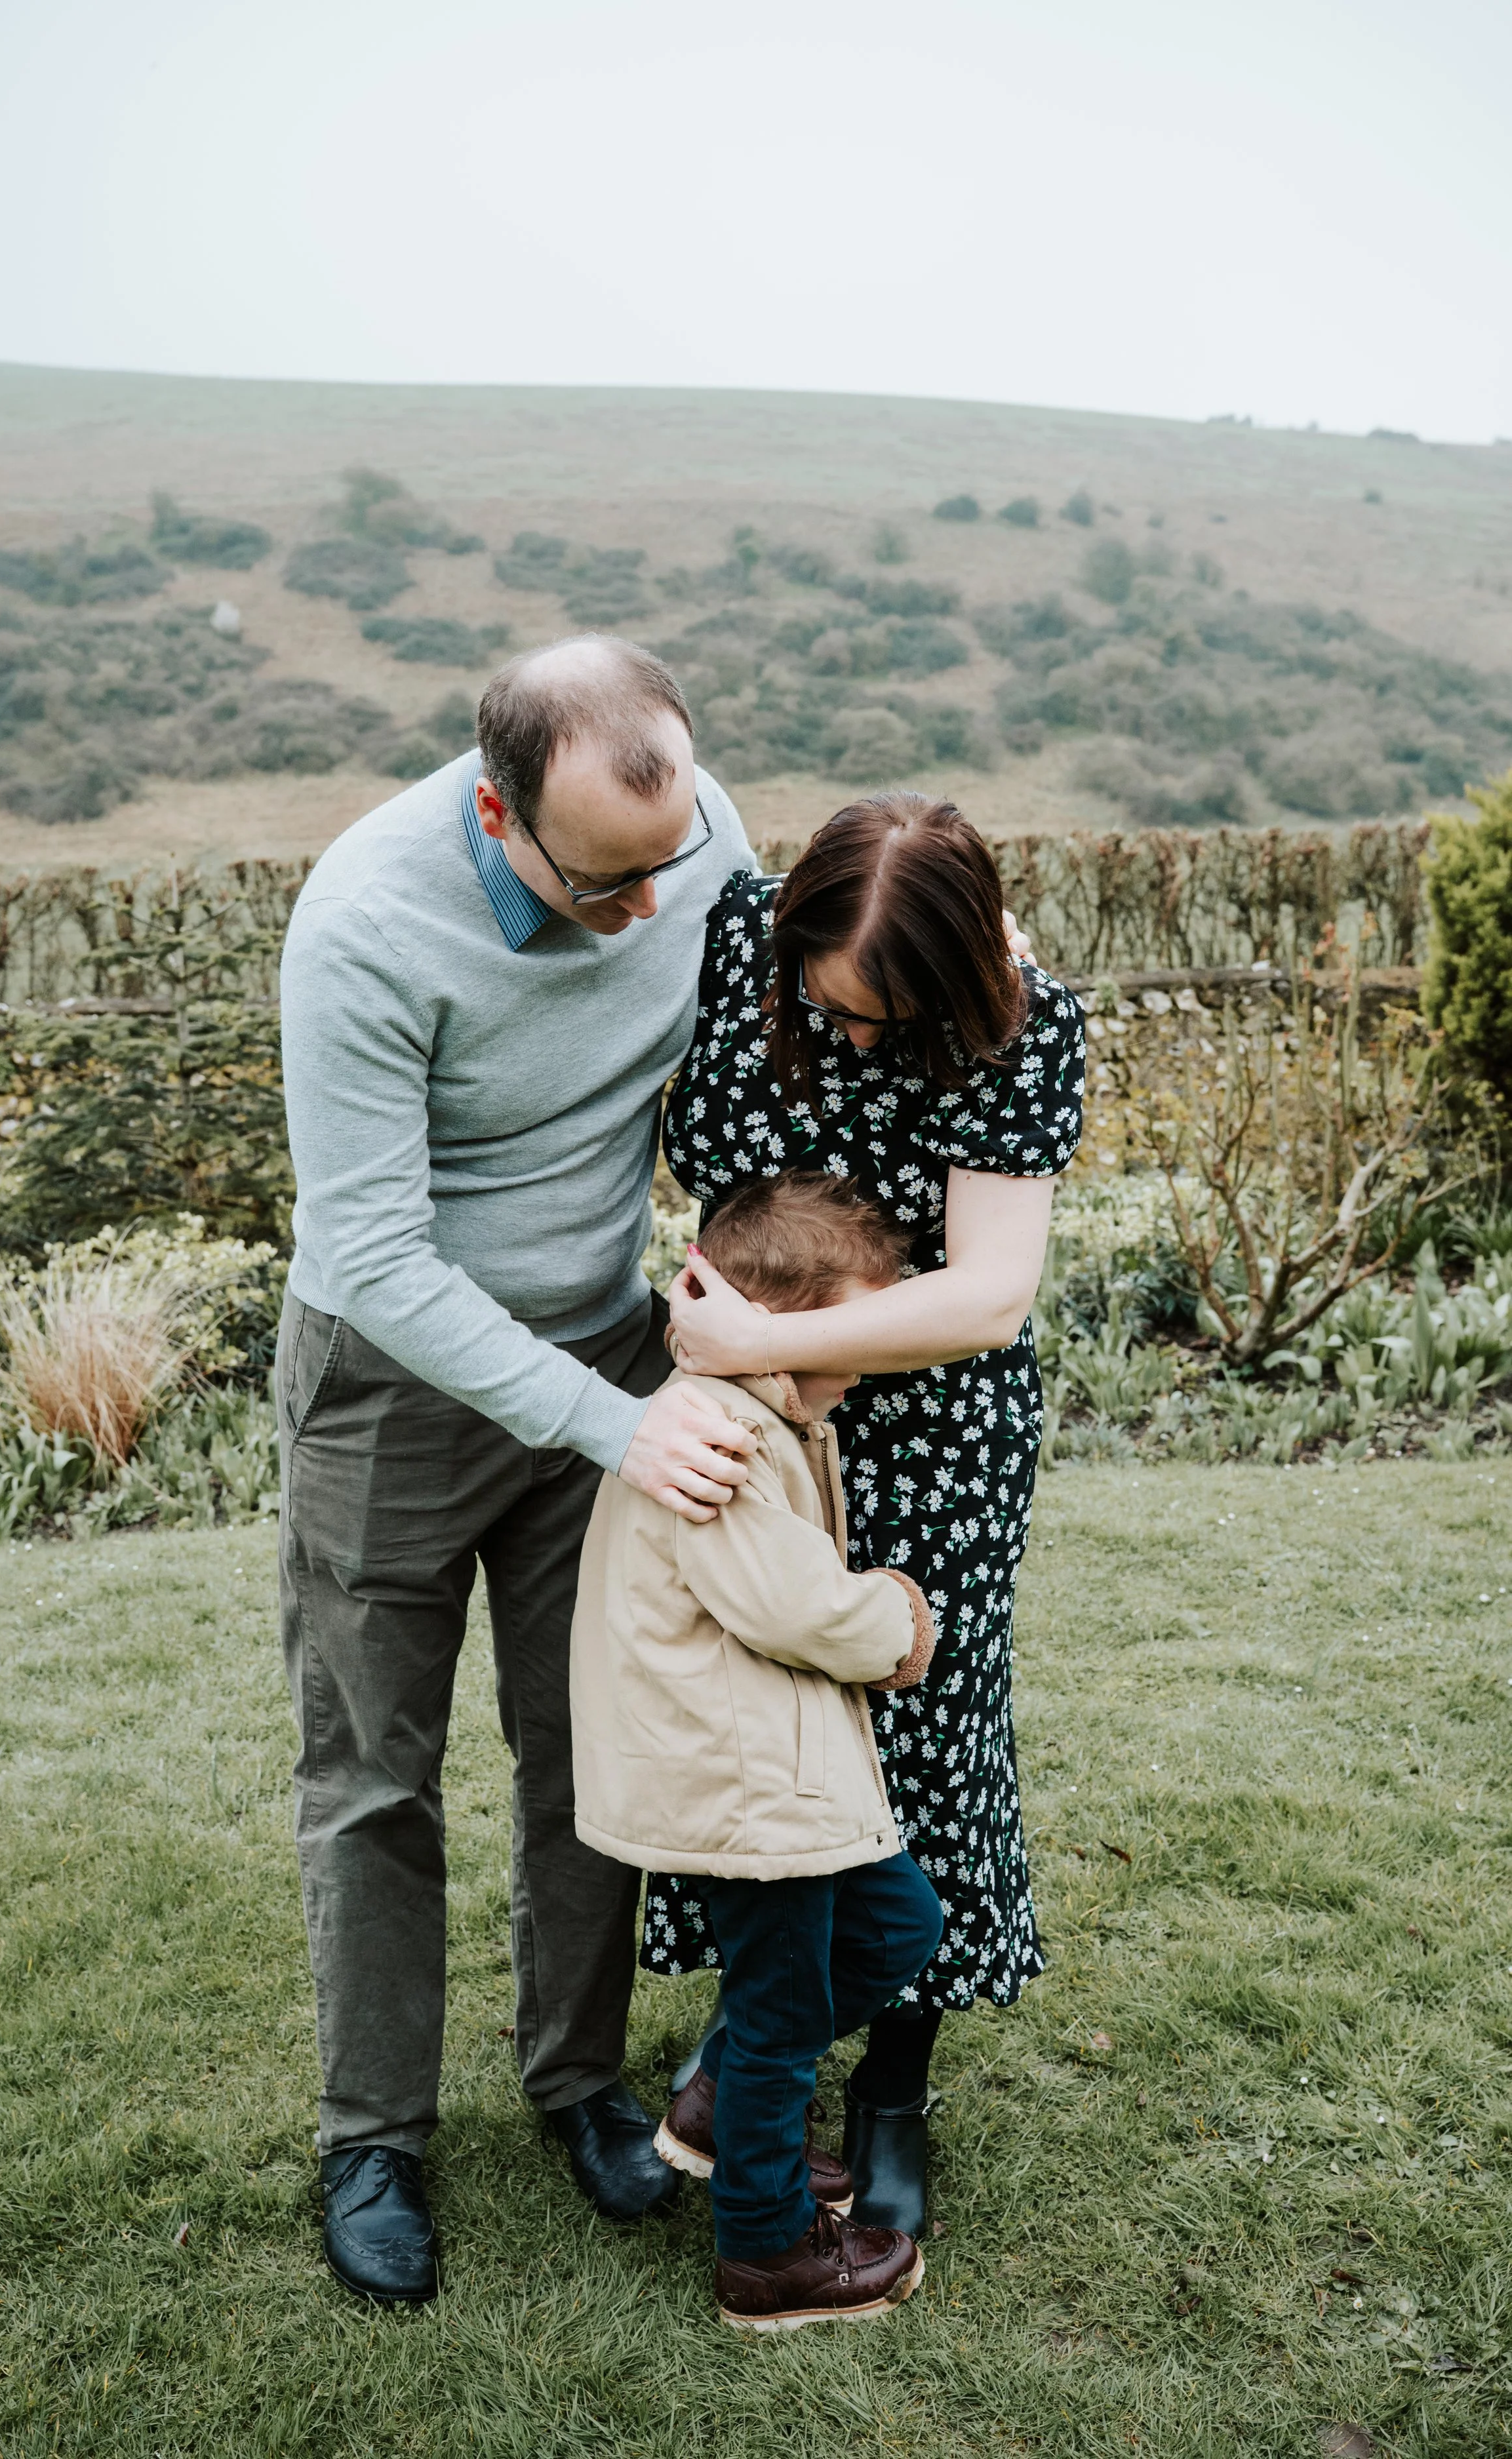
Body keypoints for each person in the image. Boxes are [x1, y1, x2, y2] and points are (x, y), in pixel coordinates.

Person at [276, 637, 764, 2306]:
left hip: (603, 1346)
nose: (651, 912)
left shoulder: (686, 832)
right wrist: (619, 1424)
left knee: (586, 1748)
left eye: (668, 865)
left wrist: (975, 960)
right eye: (605, 885)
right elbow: (374, 1256)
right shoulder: (363, 924)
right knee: (373, 1773)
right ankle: (373, 2140)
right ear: (497, 814)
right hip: (389, 1393)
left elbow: (780, 999)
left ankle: (577, 2080)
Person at [643, 791, 1086, 2239]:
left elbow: (990, 1294)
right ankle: (755, 2039)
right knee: (759, 1729)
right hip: (748, 1418)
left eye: (885, 1023)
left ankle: (893, 2086)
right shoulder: (733, 935)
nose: (849, 1040)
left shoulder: (1018, 1023)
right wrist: (740, 1362)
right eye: (828, 1007)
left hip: (931, 1435)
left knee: (916, 1738)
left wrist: (760, 1342)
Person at [570, 1169, 945, 2331]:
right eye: (850, 1326)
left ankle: (721, 2105)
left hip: (777, 1766)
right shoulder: (721, 1434)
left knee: (898, 1923)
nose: (865, 1352)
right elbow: (793, 1606)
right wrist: (898, 1622)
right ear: (777, 1326)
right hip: (744, 1780)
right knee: (783, 2013)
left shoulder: (766, 1415)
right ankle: (768, 2248)